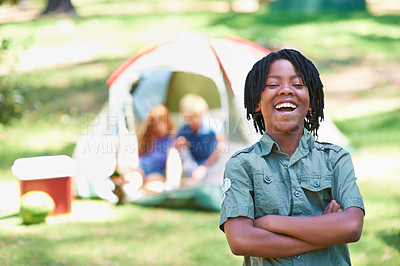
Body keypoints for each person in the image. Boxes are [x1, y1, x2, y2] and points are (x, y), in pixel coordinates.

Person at [219, 49, 365, 265]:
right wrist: (326, 229)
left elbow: (351, 227)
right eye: (272, 85)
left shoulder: (335, 159)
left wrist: (269, 223)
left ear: (312, 101)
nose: (286, 90)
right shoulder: (242, 165)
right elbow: (241, 240)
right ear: (257, 102)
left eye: (297, 84)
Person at [113, 104, 176, 202]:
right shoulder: (148, 138)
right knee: (134, 180)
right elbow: (140, 155)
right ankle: (124, 192)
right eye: (156, 124)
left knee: (157, 187)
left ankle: (138, 190)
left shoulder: (172, 139)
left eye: (162, 122)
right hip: (142, 168)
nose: (159, 127)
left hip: (157, 171)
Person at [172, 94, 225, 184]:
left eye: (195, 117)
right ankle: (174, 183)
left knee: (198, 175)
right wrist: (179, 144)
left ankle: (185, 183)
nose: (193, 121)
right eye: (189, 118)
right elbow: (175, 147)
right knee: (173, 152)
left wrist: (205, 165)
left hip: (209, 164)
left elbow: (221, 146)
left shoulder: (214, 126)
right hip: (192, 164)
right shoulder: (185, 129)